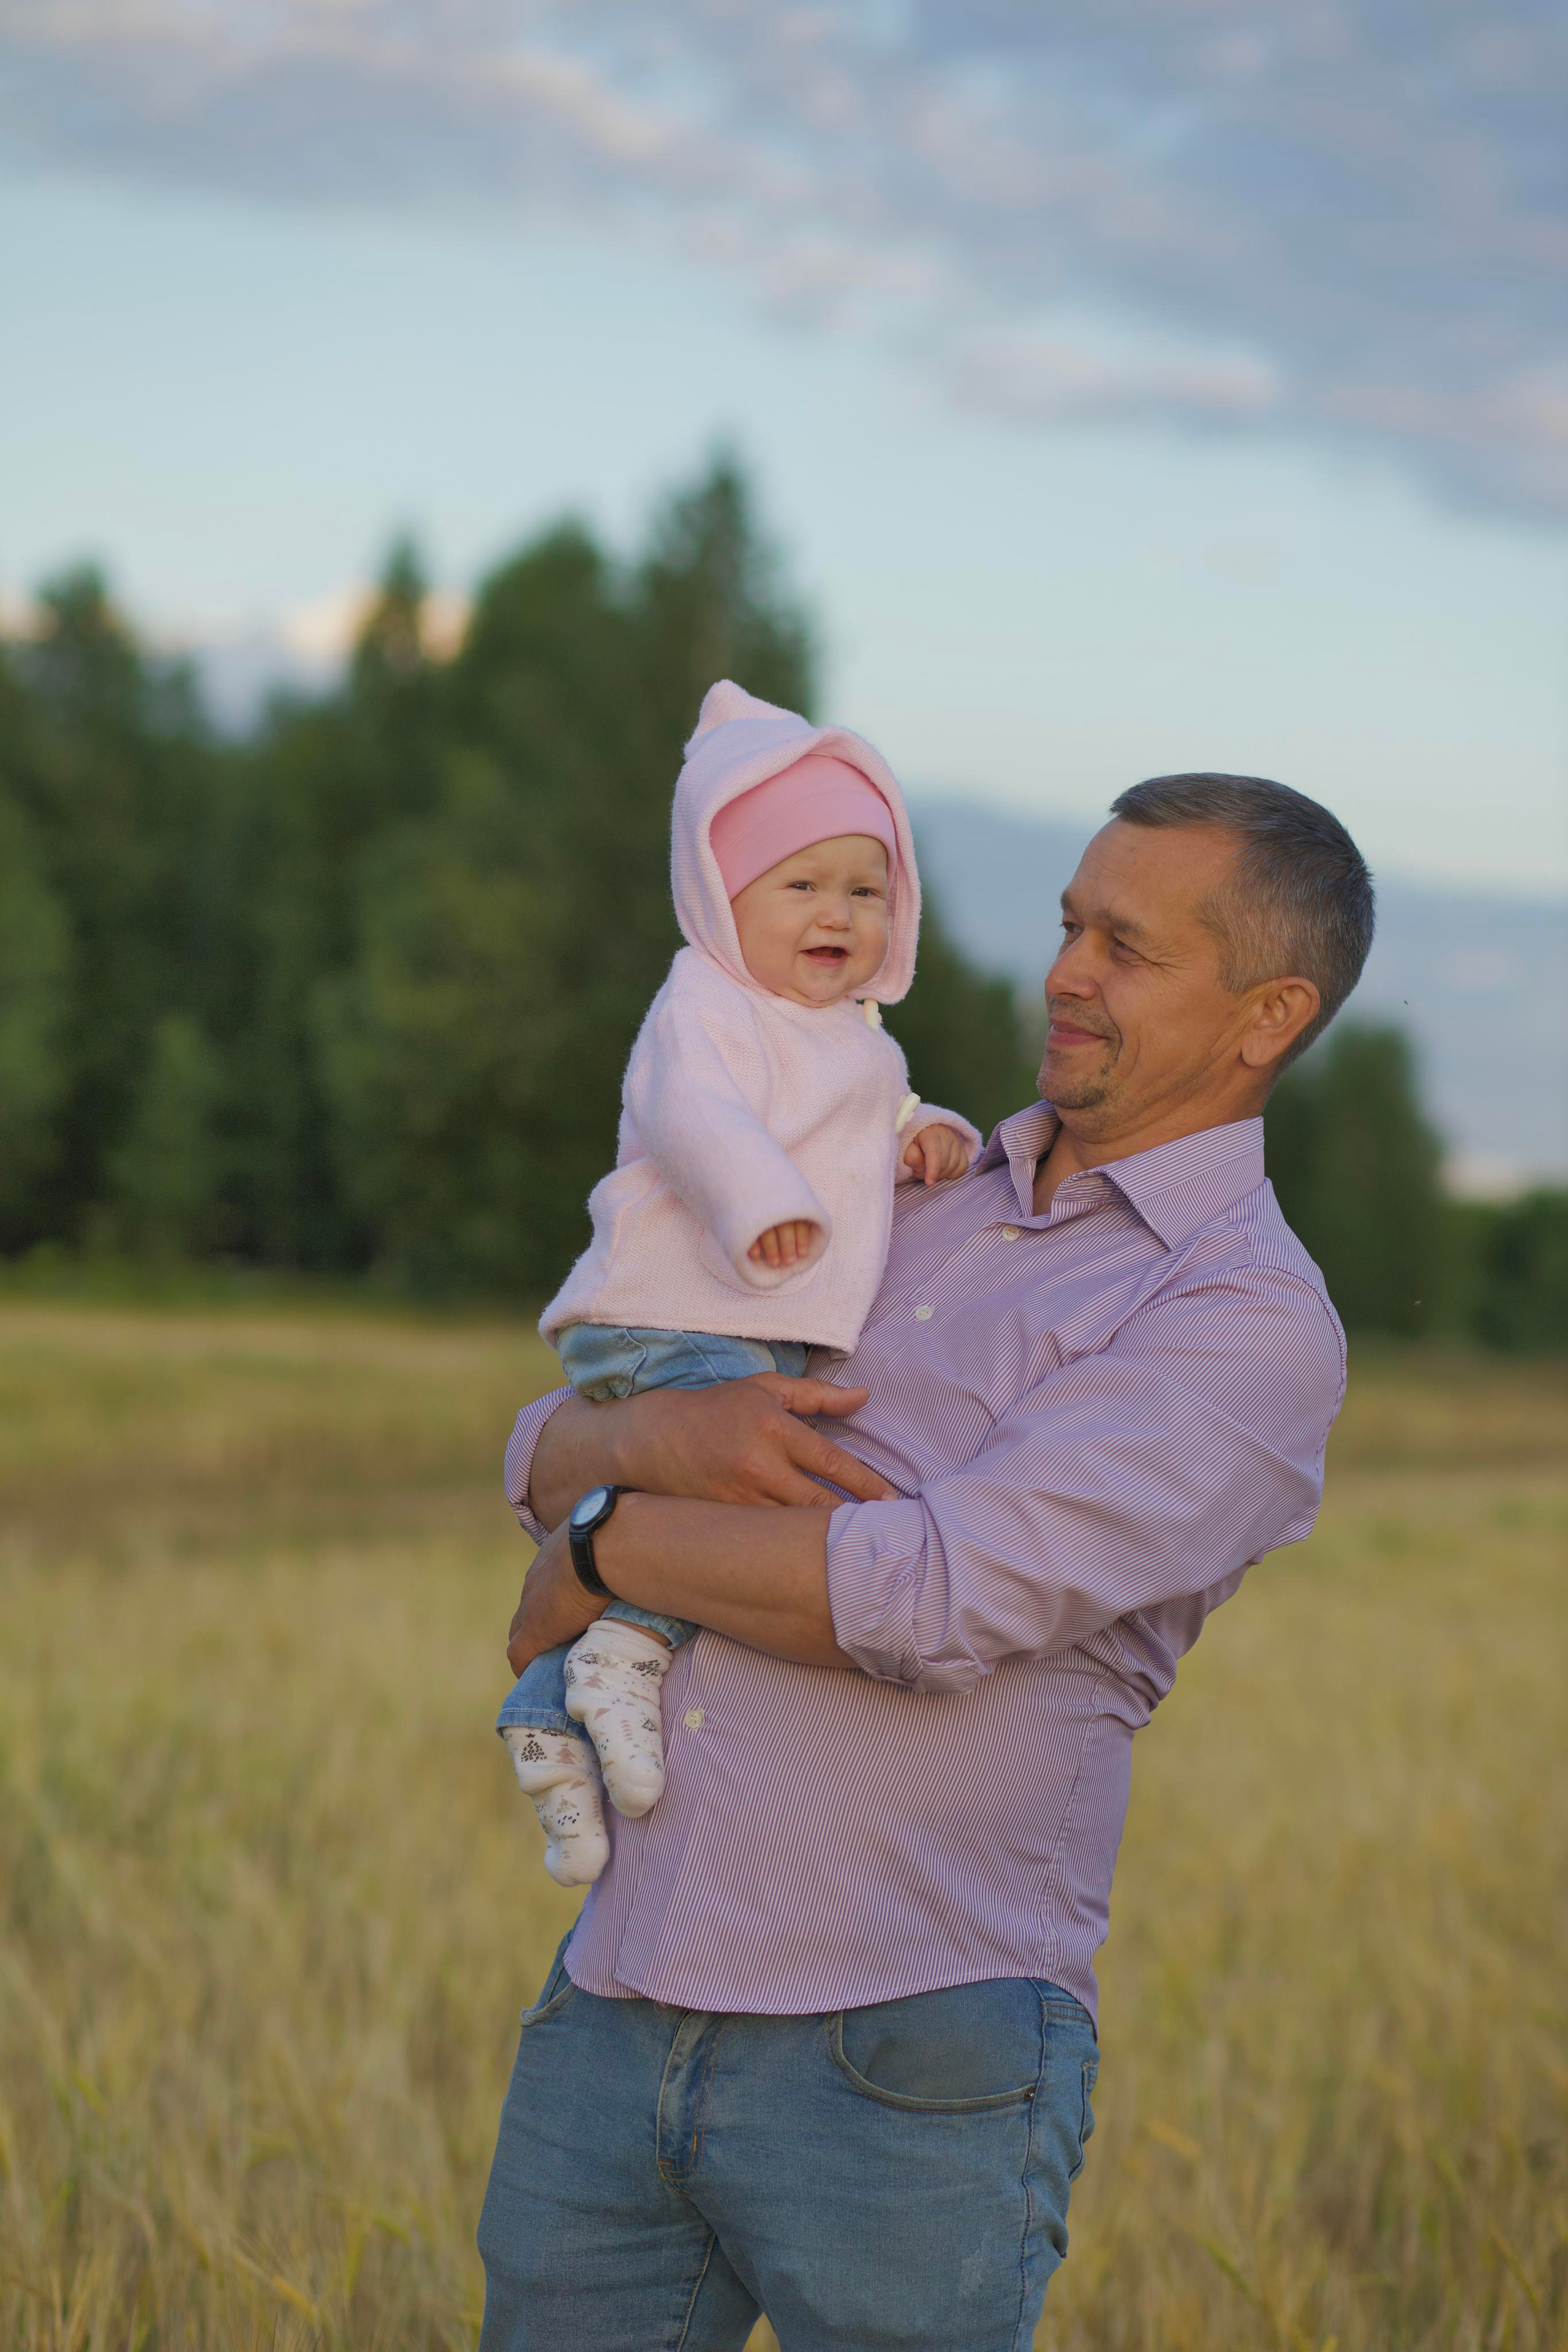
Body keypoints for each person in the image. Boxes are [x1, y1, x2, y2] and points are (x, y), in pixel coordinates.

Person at [479, 769, 1375, 2352]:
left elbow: (940, 1593)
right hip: (617, 2010)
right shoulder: (913, 1188)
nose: (1066, 976)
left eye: (1127, 947)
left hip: (900, 2061)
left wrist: (613, 1550)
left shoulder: (1247, 1320)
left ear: (1268, 1015)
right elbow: (546, 1438)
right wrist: (634, 1463)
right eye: (1067, 926)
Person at [494, 681, 979, 1882]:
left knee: (754, 1496)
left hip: (733, 1332)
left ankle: (547, 1718)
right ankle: (627, 1652)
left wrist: (927, 1133)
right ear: (724, 898)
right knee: (757, 1497)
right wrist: (760, 1204)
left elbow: (871, 1112)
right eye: (800, 886)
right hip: (664, 1321)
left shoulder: (857, 1040)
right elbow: (694, 1118)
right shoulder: (701, 1006)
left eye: (864, 891)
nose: (837, 915)